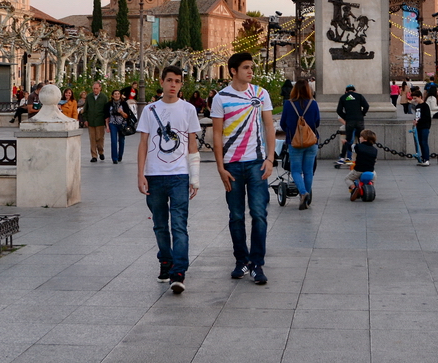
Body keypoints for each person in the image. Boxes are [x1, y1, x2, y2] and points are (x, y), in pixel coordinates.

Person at [211, 52, 276, 286]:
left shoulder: (260, 94)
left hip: (257, 163)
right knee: (236, 216)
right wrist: (220, 167)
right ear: (233, 71)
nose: (250, 71)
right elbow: (216, 134)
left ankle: (257, 263)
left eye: (252, 67)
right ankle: (241, 260)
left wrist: (270, 159)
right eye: (246, 67)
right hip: (232, 165)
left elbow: (269, 127)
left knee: (259, 213)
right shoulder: (221, 98)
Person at [136, 65, 201, 294]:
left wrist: (195, 178)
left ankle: (179, 271)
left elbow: (192, 144)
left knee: (179, 225)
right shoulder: (150, 110)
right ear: (161, 82)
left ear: (181, 84)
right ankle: (166, 261)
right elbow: (143, 143)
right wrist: (140, 174)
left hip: (179, 176)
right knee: (160, 225)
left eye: (178, 81)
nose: (173, 84)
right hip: (154, 176)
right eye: (170, 80)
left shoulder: (188, 109)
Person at [279, 79, 320, 210]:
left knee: (295, 170)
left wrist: (292, 132)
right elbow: (317, 122)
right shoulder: (313, 104)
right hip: (311, 141)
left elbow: (282, 123)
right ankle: (306, 200)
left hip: (294, 141)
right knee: (308, 171)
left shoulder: (288, 104)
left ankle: (303, 193)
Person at [335, 84, 369, 167]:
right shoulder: (359, 96)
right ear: (354, 90)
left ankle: (343, 157)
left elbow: (339, 110)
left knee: (348, 139)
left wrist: (346, 117)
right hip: (359, 120)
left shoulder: (343, 97)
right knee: (361, 138)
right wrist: (362, 114)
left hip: (350, 121)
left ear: (346, 91)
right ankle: (364, 156)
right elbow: (366, 106)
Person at [347, 129, 378, 200]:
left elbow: (350, 147)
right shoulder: (375, 150)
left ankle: (354, 188)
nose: (359, 138)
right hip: (370, 170)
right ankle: (372, 187)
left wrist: (346, 143)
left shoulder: (358, 146)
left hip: (359, 170)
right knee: (374, 178)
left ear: (364, 139)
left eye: (360, 137)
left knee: (347, 178)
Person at [84, 81, 108, 163]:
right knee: (92, 139)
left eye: (97, 88)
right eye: (94, 88)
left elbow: (106, 110)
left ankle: (101, 151)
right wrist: (85, 119)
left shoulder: (104, 97)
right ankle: (94, 155)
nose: (95, 90)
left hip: (100, 121)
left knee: (100, 138)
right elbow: (85, 109)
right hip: (91, 121)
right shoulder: (89, 97)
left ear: (100, 88)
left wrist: (106, 121)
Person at [106, 89, 130, 164]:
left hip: (122, 124)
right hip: (112, 123)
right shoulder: (109, 104)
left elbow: (127, 116)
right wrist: (107, 126)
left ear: (120, 95)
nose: (117, 95)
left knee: (121, 141)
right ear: (112, 96)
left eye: (118, 94)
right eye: (115, 94)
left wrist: (121, 112)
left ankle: (120, 156)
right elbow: (107, 116)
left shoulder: (124, 104)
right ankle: (114, 158)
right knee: (113, 141)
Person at [413, 91, 431, 166]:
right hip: (418, 127)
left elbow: (427, 117)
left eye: (415, 98)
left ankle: (426, 159)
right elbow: (418, 116)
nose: (415, 100)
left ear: (420, 97)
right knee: (420, 143)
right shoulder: (417, 107)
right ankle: (422, 158)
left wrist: (418, 121)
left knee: (424, 142)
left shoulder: (425, 106)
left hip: (424, 127)